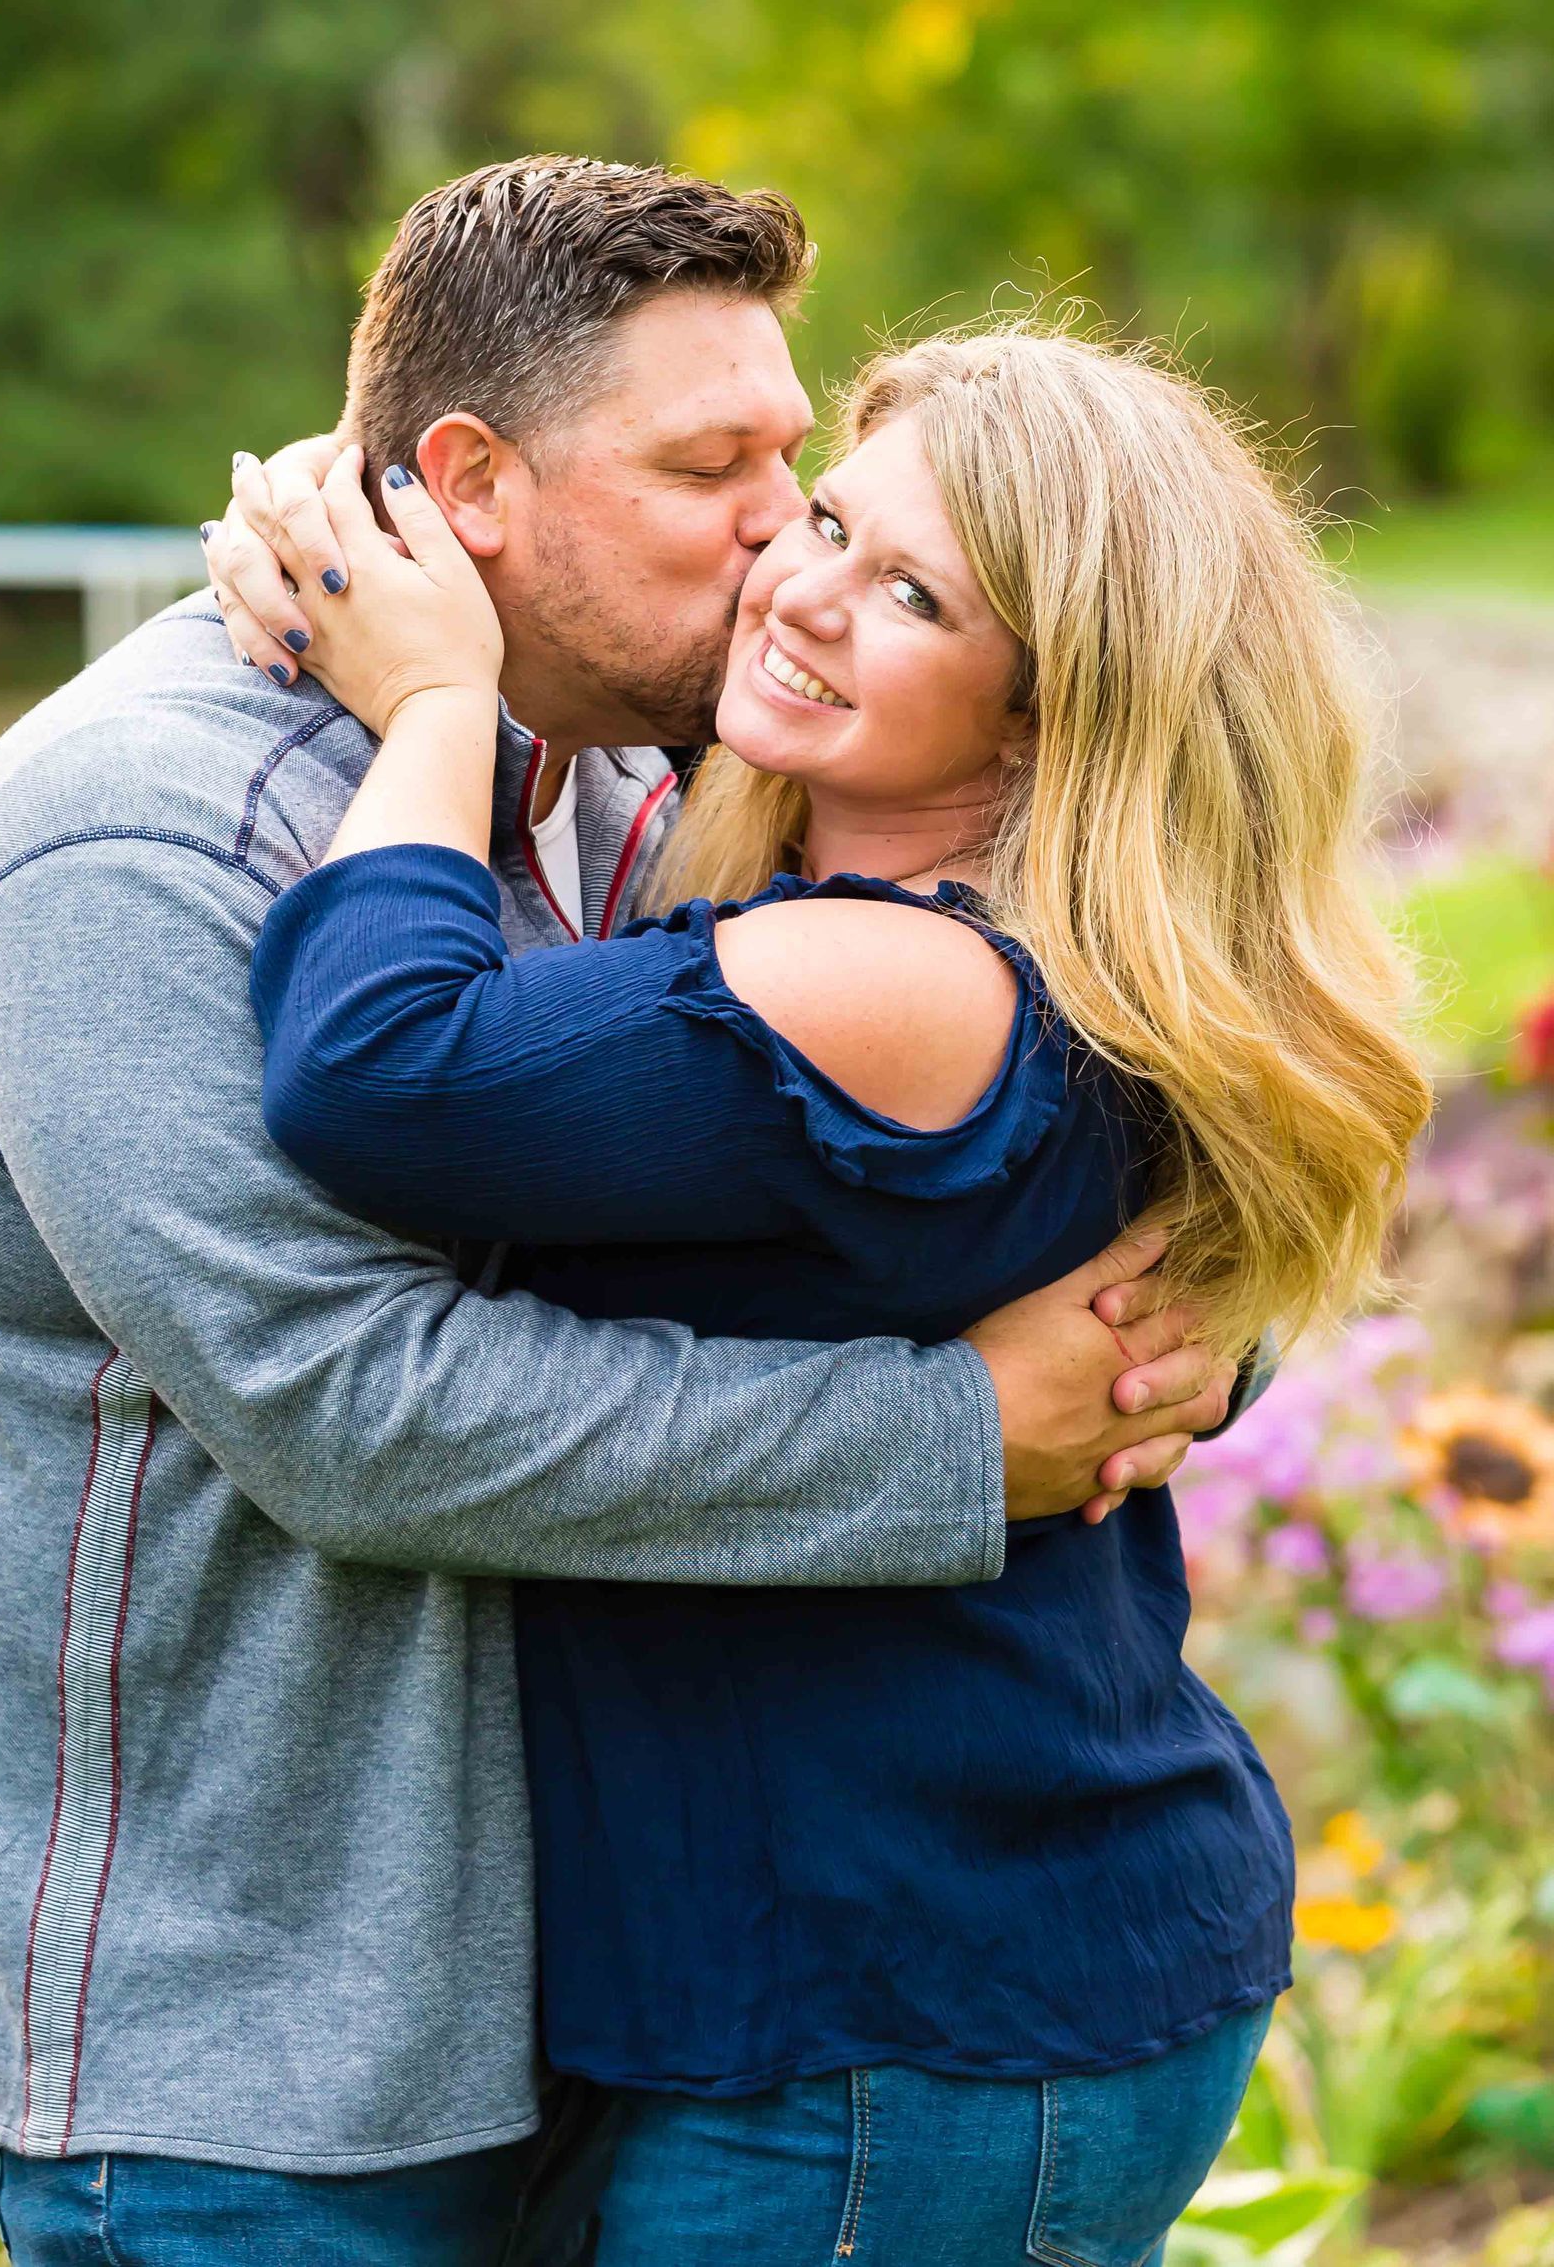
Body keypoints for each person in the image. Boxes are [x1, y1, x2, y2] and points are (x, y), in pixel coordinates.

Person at [0, 157, 1241, 2267]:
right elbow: (357, 1408)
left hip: (605, 1996)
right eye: (716, 468)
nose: (786, 526)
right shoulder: (126, 846)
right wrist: (960, 1437)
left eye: (800, 455)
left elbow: (1020, 1071)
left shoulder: (625, 769)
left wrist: (1191, 1325)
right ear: (470, 482)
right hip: (245, 2050)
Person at [236, 321, 1432, 2262]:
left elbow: (370, 1066)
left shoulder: (895, 984)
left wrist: (436, 700)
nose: (796, 589)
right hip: (996, 1951)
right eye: (822, 521)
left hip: (899, 2024)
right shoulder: (1058, 947)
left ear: (1051, 713)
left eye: (910, 593)